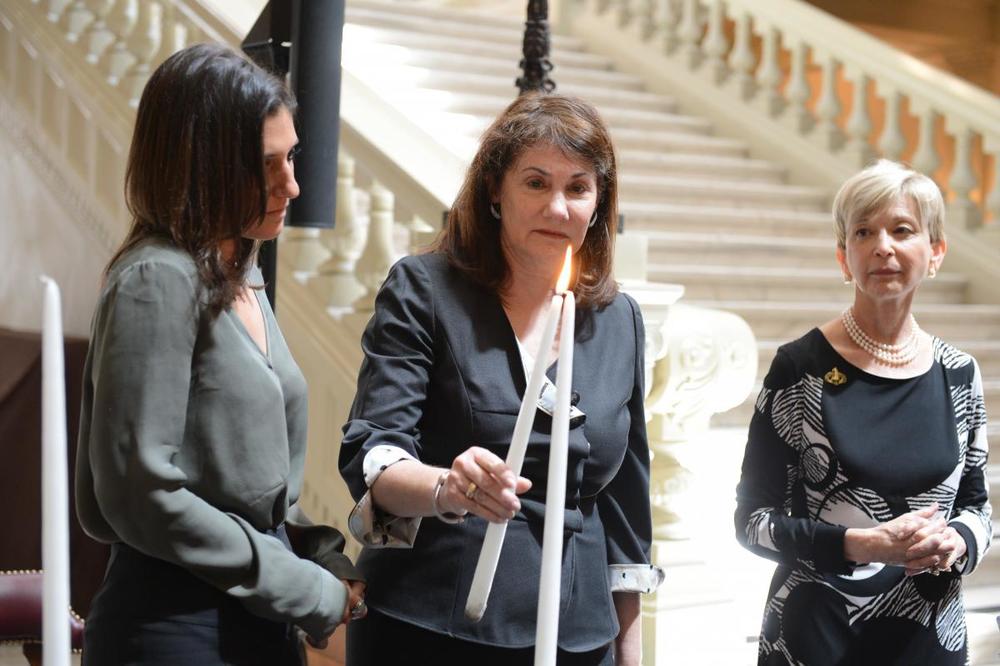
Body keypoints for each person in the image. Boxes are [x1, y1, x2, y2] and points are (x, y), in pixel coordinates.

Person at [338, 93, 663, 665]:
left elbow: (625, 509)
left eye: (577, 188)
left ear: (598, 203)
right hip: (434, 624)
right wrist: (446, 487)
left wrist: (629, 653)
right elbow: (375, 452)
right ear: (495, 190)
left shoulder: (620, 320)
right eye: (535, 183)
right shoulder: (425, 291)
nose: (557, 208)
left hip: (578, 634)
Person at [75, 43, 365, 665]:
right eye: (266, 165)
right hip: (174, 628)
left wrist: (319, 555)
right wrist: (303, 588)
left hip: (256, 624)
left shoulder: (241, 274)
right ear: (200, 166)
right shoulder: (157, 279)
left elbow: (250, 489)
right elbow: (141, 495)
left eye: (291, 157)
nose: (292, 185)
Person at [735, 159, 992, 665]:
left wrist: (958, 542)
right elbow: (752, 522)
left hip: (928, 636)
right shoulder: (800, 368)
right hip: (816, 635)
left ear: (936, 252)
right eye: (864, 232)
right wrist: (861, 545)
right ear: (844, 257)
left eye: (903, 230)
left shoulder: (959, 373)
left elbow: (977, 509)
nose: (883, 246)